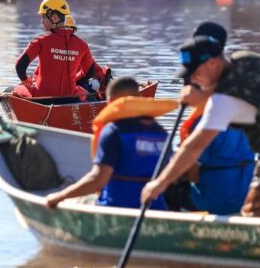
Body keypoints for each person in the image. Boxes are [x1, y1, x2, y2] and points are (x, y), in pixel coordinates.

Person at [141, 35, 260, 218]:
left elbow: (194, 147)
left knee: (258, 216)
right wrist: (205, 96)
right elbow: (246, 87)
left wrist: (159, 184)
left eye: (195, 73)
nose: (193, 80)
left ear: (212, 64)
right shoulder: (246, 58)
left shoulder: (222, 102)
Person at [165, 22, 255, 215]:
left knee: (162, 185)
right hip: (241, 194)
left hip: (214, 201)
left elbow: (192, 171)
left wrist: (162, 179)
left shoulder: (205, 121)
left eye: (194, 78)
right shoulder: (241, 109)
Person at [46, 76, 170, 209]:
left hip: (115, 206)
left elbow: (98, 180)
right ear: (140, 97)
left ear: (110, 102)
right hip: (154, 207)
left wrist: (59, 196)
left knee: (71, 201)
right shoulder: (162, 133)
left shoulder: (113, 132)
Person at [14, 0, 95, 98]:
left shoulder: (40, 40)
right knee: (85, 93)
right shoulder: (82, 45)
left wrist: (26, 81)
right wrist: (73, 81)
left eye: (43, 17)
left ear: (55, 17)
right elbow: (89, 72)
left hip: (41, 97)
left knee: (16, 89)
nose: (41, 21)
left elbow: (19, 65)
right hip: (70, 97)